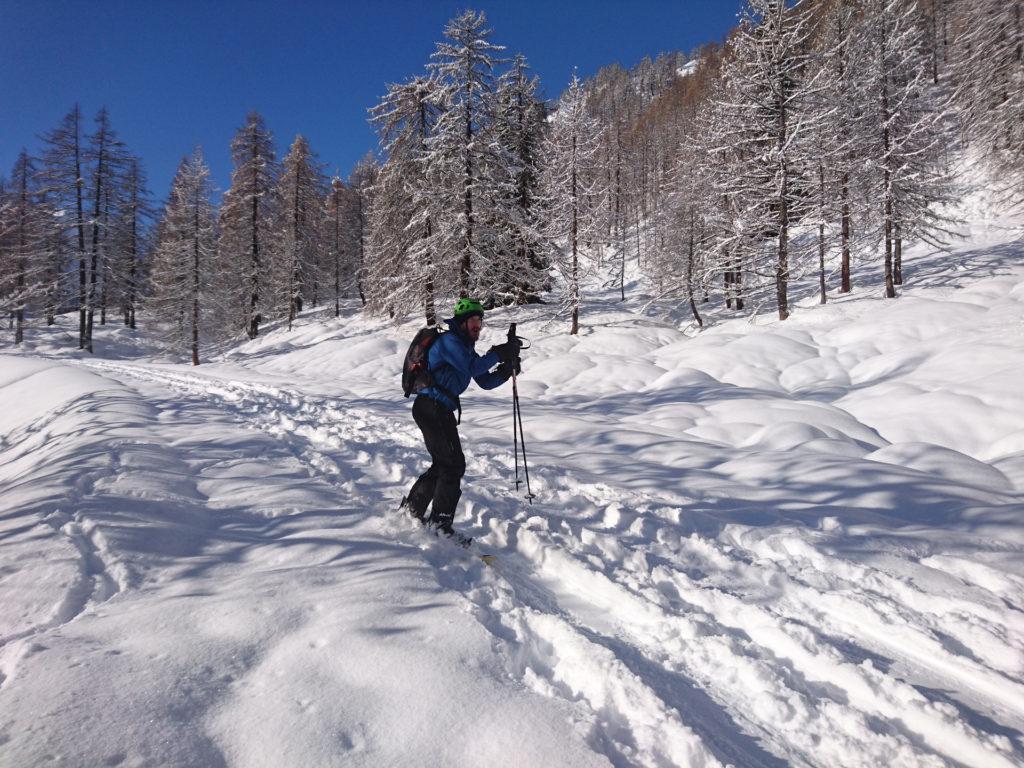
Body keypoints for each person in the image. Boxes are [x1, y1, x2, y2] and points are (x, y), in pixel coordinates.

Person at [402, 298, 520, 542]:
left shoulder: (464, 347)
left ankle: (412, 511)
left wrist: (506, 369)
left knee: (444, 464)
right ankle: (440, 525)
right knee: (452, 465)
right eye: (474, 321)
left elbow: (484, 380)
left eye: (480, 321)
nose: (479, 325)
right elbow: (474, 367)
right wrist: (499, 353)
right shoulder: (450, 342)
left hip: (438, 409)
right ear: (462, 322)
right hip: (431, 407)